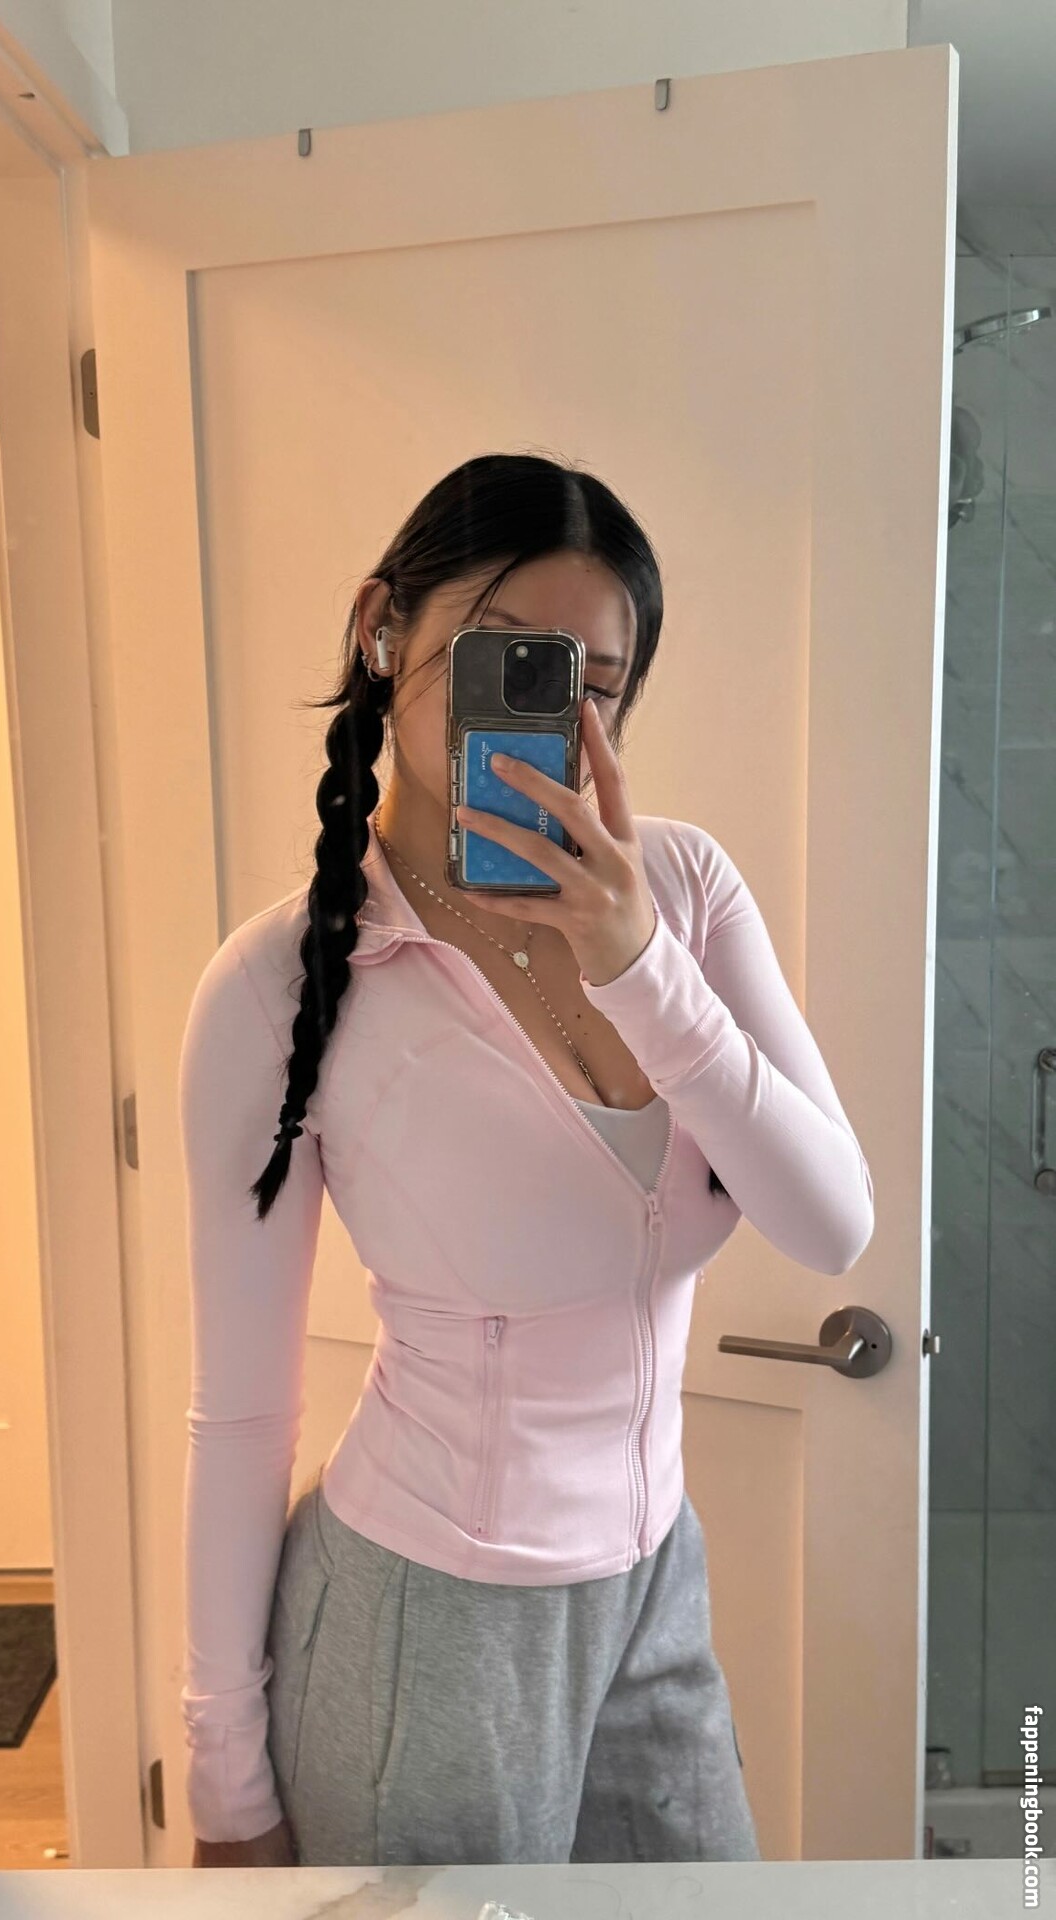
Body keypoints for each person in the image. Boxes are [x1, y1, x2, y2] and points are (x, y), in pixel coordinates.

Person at [180, 451, 874, 1869]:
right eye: (504, 657)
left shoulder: (685, 894)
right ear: (385, 632)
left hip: (655, 1585)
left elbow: (831, 1224)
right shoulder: (279, 985)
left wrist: (638, 967)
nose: (551, 713)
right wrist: (224, 1780)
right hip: (421, 1621)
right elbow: (241, 1413)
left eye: (590, 683)